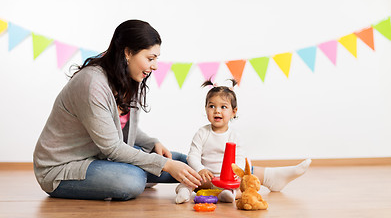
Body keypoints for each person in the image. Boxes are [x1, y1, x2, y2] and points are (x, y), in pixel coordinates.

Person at [33, 20, 202, 201]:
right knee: (132, 180)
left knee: (183, 161)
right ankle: (133, 173)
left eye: (156, 59)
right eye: (150, 58)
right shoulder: (92, 84)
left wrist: (152, 143)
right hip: (61, 168)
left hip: (100, 156)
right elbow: (113, 147)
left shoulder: (127, 78)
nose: (155, 66)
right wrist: (164, 165)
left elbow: (119, 128)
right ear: (128, 52)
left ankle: (217, 184)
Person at [175, 79, 312, 204]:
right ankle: (184, 192)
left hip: (226, 179)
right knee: (188, 181)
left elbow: (239, 157)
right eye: (212, 106)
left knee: (245, 185)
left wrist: (237, 172)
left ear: (233, 112)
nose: (217, 111)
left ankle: (229, 194)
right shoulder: (202, 133)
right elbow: (192, 155)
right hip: (205, 179)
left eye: (223, 107)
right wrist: (200, 169)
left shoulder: (235, 136)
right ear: (206, 109)